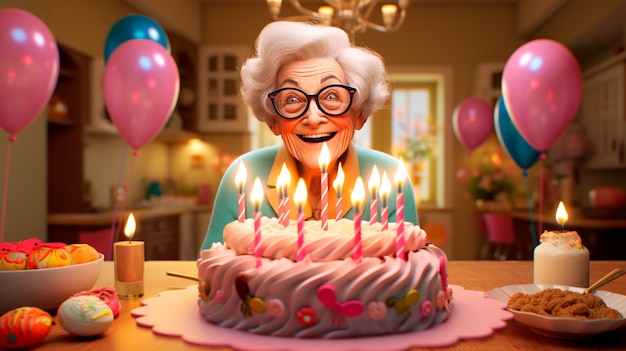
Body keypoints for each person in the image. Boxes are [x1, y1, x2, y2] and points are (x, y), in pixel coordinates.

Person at [200, 21, 418, 250]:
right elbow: (211, 270)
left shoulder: (391, 178)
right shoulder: (243, 175)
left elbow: (408, 269)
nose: (313, 118)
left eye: (332, 96)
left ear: (359, 115)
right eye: (292, 99)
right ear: (274, 120)